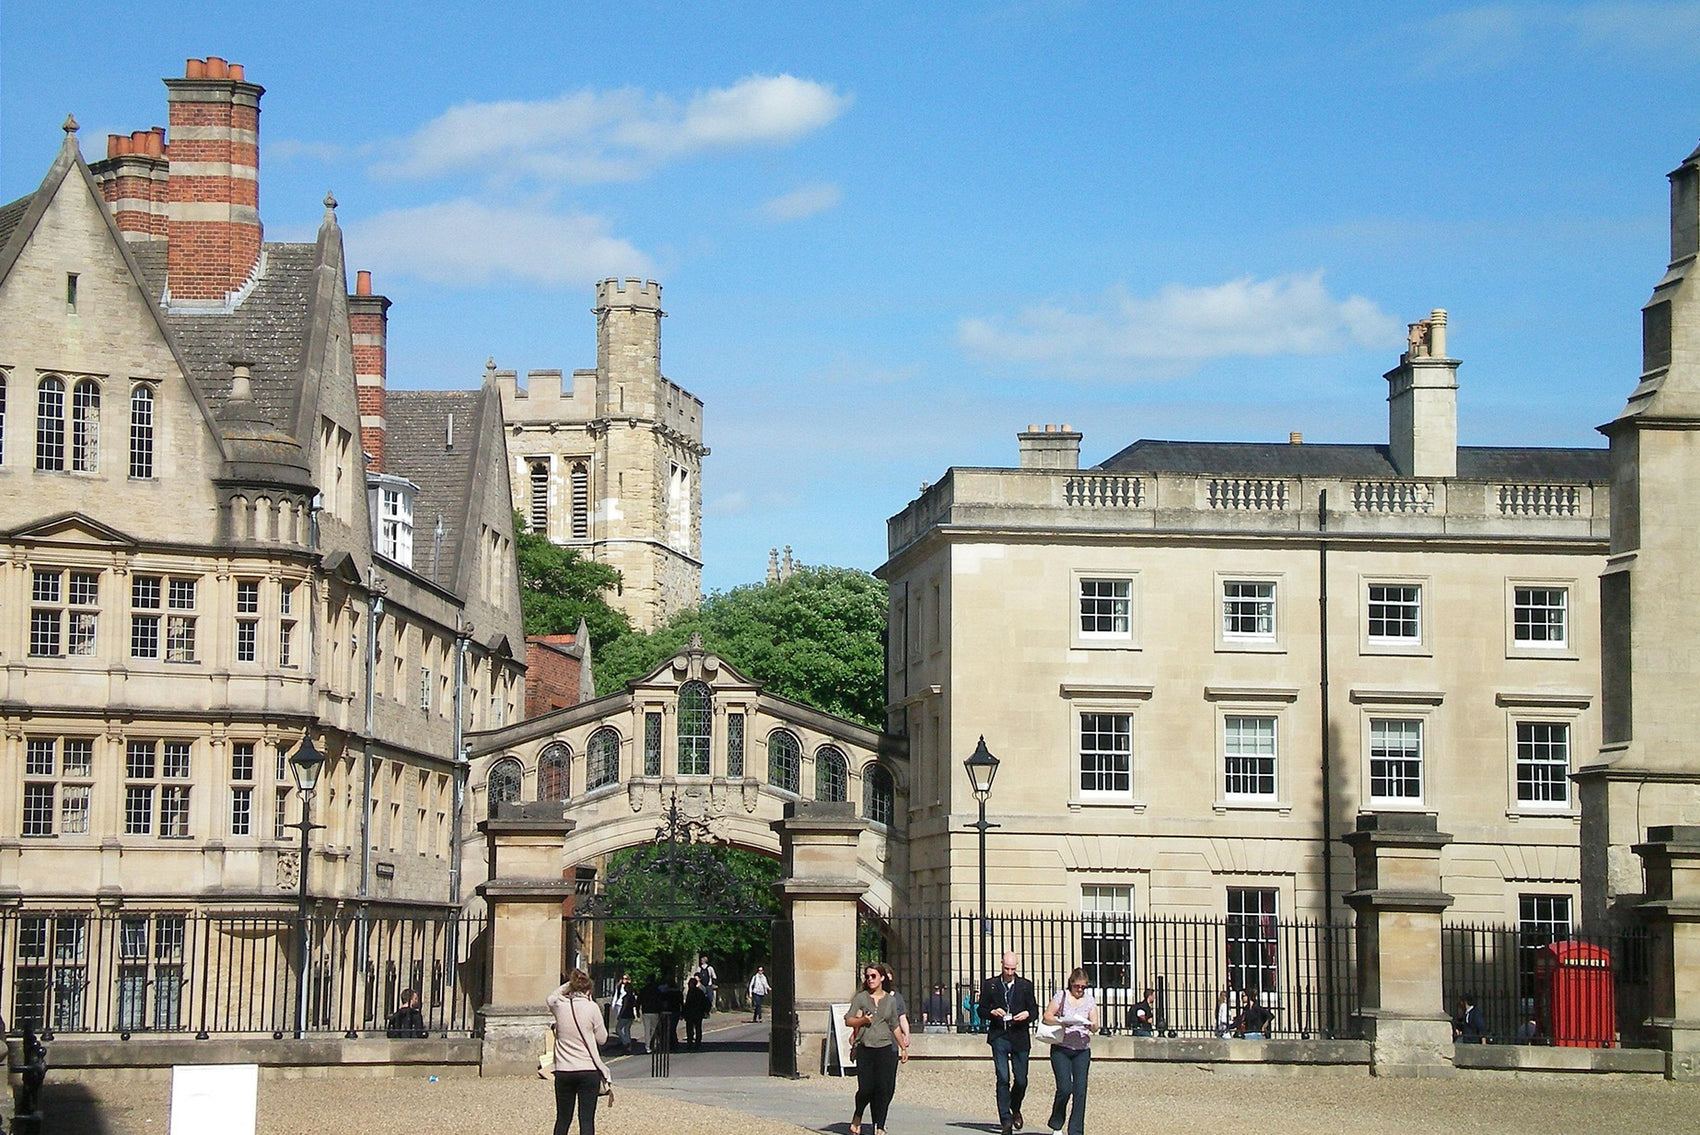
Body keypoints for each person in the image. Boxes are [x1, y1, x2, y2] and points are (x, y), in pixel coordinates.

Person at [845, 960, 910, 1135]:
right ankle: (858, 1115)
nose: (870, 980)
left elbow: (895, 1025)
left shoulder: (890, 1000)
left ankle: (879, 1126)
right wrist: (862, 1021)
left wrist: (903, 1047)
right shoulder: (861, 998)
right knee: (866, 1088)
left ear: (881, 978)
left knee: (883, 1088)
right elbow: (848, 1019)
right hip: (866, 1047)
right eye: (867, 977)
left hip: (885, 1048)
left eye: (873, 976)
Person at [979, 951, 1040, 1135]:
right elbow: (980, 1009)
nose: (1010, 972)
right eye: (1007, 968)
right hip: (1000, 1036)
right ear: (1001, 964)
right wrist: (992, 1011)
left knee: (1021, 1080)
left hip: (1020, 1035)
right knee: (1003, 1077)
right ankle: (1005, 1119)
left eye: (1013, 969)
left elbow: (1034, 1009)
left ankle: (1015, 1106)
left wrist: (1027, 1015)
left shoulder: (1025, 986)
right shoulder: (990, 985)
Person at [547, 970, 613, 1135]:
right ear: (588, 991)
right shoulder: (592, 1008)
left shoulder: (560, 1006)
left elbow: (551, 997)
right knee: (586, 1120)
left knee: (562, 1119)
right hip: (587, 1070)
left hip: (563, 1070)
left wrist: (570, 984)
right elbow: (602, 1039)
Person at [1042, 968, 1097, 1135]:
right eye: (1077, 986)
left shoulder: (1089, 1001)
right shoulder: (1061, 996)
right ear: (1071, 984)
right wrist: (1062, 1021)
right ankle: (1057, 1123)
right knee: (1065, 1088)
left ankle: (1076, 1131)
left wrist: (1090, 1024)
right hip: (1062, 1048)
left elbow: (1095, 1025)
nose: (1079, 990)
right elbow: (1047, 1016)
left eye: (1083, 987)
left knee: (1080, 1090)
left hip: (1081, 1049)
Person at [610, 975, 638, 1051]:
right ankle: (628, 1045)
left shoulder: (626, 997)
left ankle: (625, 1042)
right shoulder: (632, 996)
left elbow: (624, 1006)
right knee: (627, 1030)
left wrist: (620, 1015)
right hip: (630, 1015)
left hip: (625, 1014)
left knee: (618, 1029)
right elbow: (635, 1005)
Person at [683, 975, 711, 1050]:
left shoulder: (692, 992)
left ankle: (691, 1042)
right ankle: (696, 1042)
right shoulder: (699, 992)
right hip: (697, 1013)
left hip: (692, 1013)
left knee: (691, 1028)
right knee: (697, 1028)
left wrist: (684, 1012)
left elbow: (688, 1004)